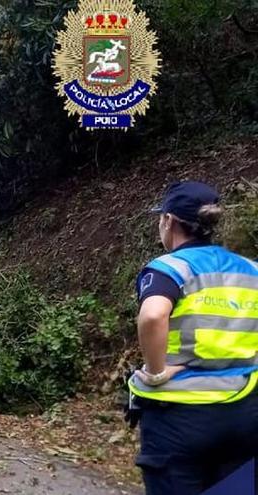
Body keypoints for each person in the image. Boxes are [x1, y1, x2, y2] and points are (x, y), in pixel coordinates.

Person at [128, 181, 258, 494]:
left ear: (168, 221)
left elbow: (153, 314)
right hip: (245, 414)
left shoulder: (169, 268)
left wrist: (156, 372)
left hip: (180, 417)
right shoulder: (250, 269)